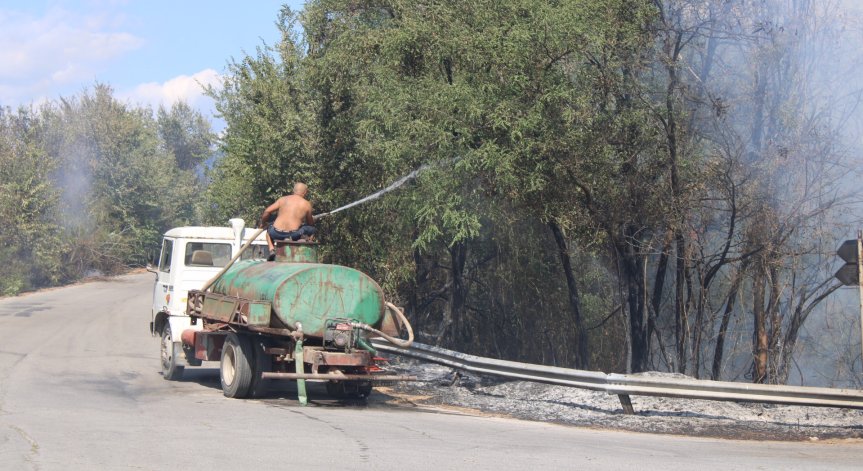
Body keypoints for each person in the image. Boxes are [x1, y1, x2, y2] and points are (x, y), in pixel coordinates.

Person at [259, 182, 317, 260]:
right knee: (312, 229)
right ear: (305, 192)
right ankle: (303, 244)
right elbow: (310, 223)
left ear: (293, 190)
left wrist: (263, 223)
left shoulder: (282, 199)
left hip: (276, 233)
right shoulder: (306, 204)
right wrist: (309, 219)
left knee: (269, 230)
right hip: (293, 235)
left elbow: (267, 211)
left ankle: (271, 250)